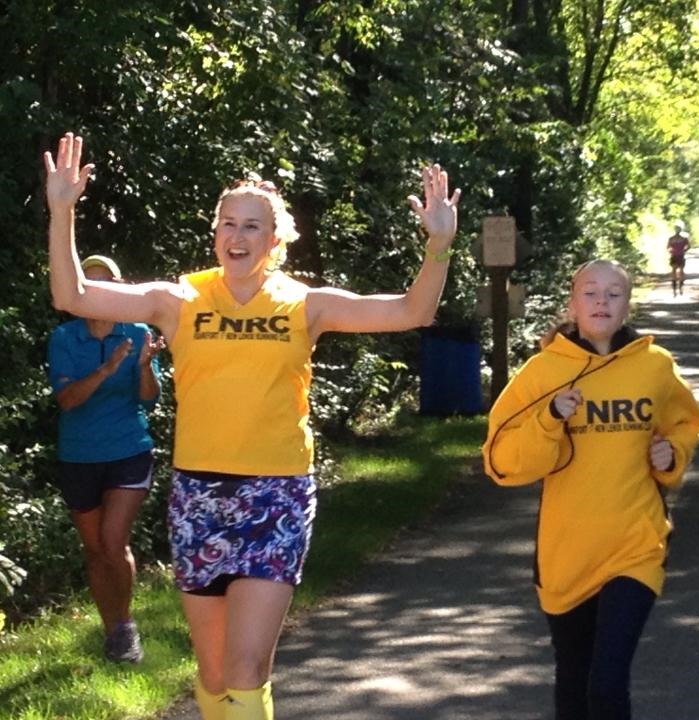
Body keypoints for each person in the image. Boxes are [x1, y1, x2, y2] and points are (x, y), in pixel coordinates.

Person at [45, 132, 460, 720]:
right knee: (214, 673)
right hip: (198, 494)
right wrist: (62, 210)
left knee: (245, 669)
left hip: (276, 493)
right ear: (215, 232)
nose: (236, 237)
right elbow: (73, 294)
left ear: (274, 240)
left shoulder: (305, 304)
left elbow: (412, 311)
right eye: (227, 224)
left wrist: (439, 245)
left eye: (251, 227)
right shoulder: (178, 299)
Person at [482, 259, 699, 720]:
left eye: (613, 293)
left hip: (636, 544)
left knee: (606, 683)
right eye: (590, 292)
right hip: (567, 552)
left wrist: (672, 454)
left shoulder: (655, 365)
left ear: (627, 306)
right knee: (574, 678)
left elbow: (686, 423)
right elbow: (501, 461)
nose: (601, 301)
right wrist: (549, 419)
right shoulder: (543, 371)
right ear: (572, 303)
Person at [47, 254, 164, 663]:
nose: (97, 291)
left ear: (119, 287)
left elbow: (149, 398)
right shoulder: (65, 337)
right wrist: (107, 369)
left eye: (105, 283)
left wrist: (144, 367)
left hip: (129, 448)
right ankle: (111, 629)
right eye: (89, 283)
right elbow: (67, 400)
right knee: (96, 550)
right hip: (79, 455)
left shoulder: (138, 331)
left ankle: (126, 626)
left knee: (114, 542)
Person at [666, 221, 690, 296]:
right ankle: (679, 288)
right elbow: (688, 246)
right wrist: (684, 250)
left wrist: (671, 251)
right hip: (679, 256)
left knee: (675, 272)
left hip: (676, 256)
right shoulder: (683, 239)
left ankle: (677, 288)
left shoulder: (672, 239)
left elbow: (668, 247)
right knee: (679, 272)